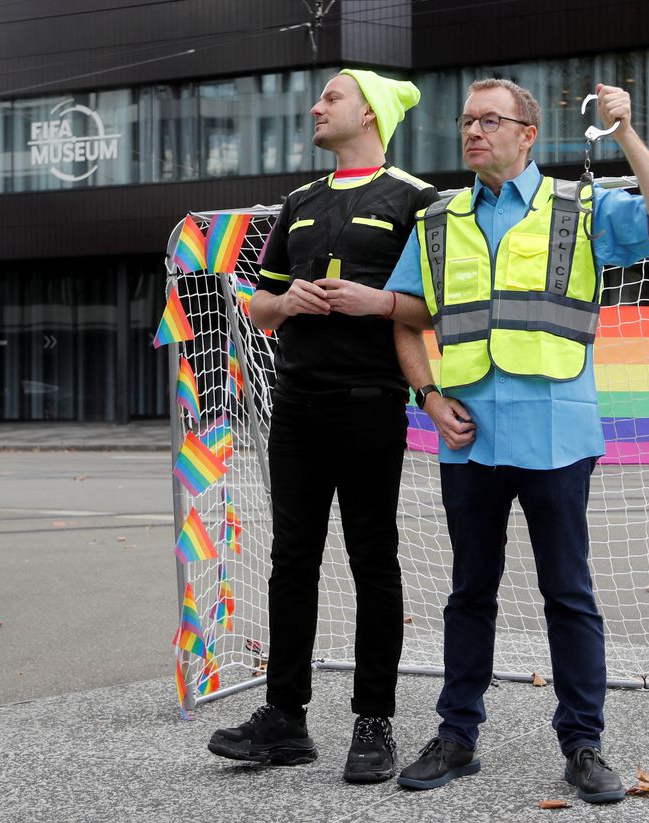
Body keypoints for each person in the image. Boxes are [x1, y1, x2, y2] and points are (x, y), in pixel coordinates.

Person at [385, 78, 649, 804]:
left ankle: (583, 744)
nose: (473, 131)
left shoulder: (580, 206)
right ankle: (456, 737)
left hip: (558, 434)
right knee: (469, 592)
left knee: (568, 593)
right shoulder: (437, 219)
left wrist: (624, 133)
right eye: (466, 121)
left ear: (528, 134)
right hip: (467, 437)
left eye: (490, 120)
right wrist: (428, 398)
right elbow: (405, 319)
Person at [207, 69, 438, 784]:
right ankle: (285, 717)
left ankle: (374, 722)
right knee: (291, 559)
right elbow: (259, 306)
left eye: (331, 97)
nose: (316, 106)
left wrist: (375, 301)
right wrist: (288, 304)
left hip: (371, 402)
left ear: (369, 113)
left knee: (373, 560)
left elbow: (435, 305)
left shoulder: (417, 199)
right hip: (296, 406)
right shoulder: (299, 202)